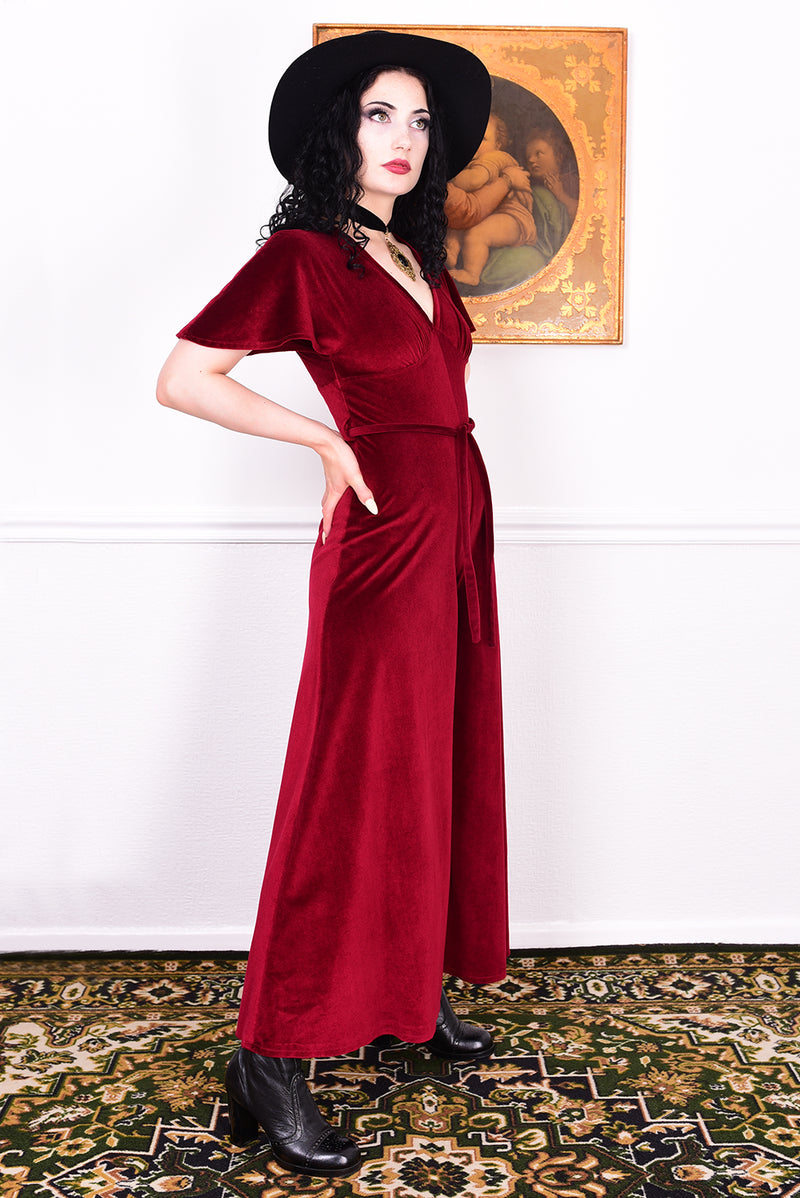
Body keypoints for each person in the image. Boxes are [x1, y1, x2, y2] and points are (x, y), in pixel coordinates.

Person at [156, 30, 509, 1180]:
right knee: (347, 779)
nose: (402, 139)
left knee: (434, 758)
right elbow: (184, 376)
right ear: (337, 133)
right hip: (380, 539)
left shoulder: (416, 257)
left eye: (418, 121)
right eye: (377, 115)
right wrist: (321, 438)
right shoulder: (307, 256)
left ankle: (406, 991)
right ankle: (269, 1052)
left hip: (453, 526)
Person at [446, 112, 538, 287]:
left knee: (476, 233)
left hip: (513, 218)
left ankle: (471, 273)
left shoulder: (495, 157)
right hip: (489, 213)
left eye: (483, 139)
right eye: (471, 137)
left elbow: (473, 180)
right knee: (458, 225)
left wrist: (449, 177)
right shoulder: (472, 161)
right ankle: (452, 251)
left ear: (498, 145)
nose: (475, 143)